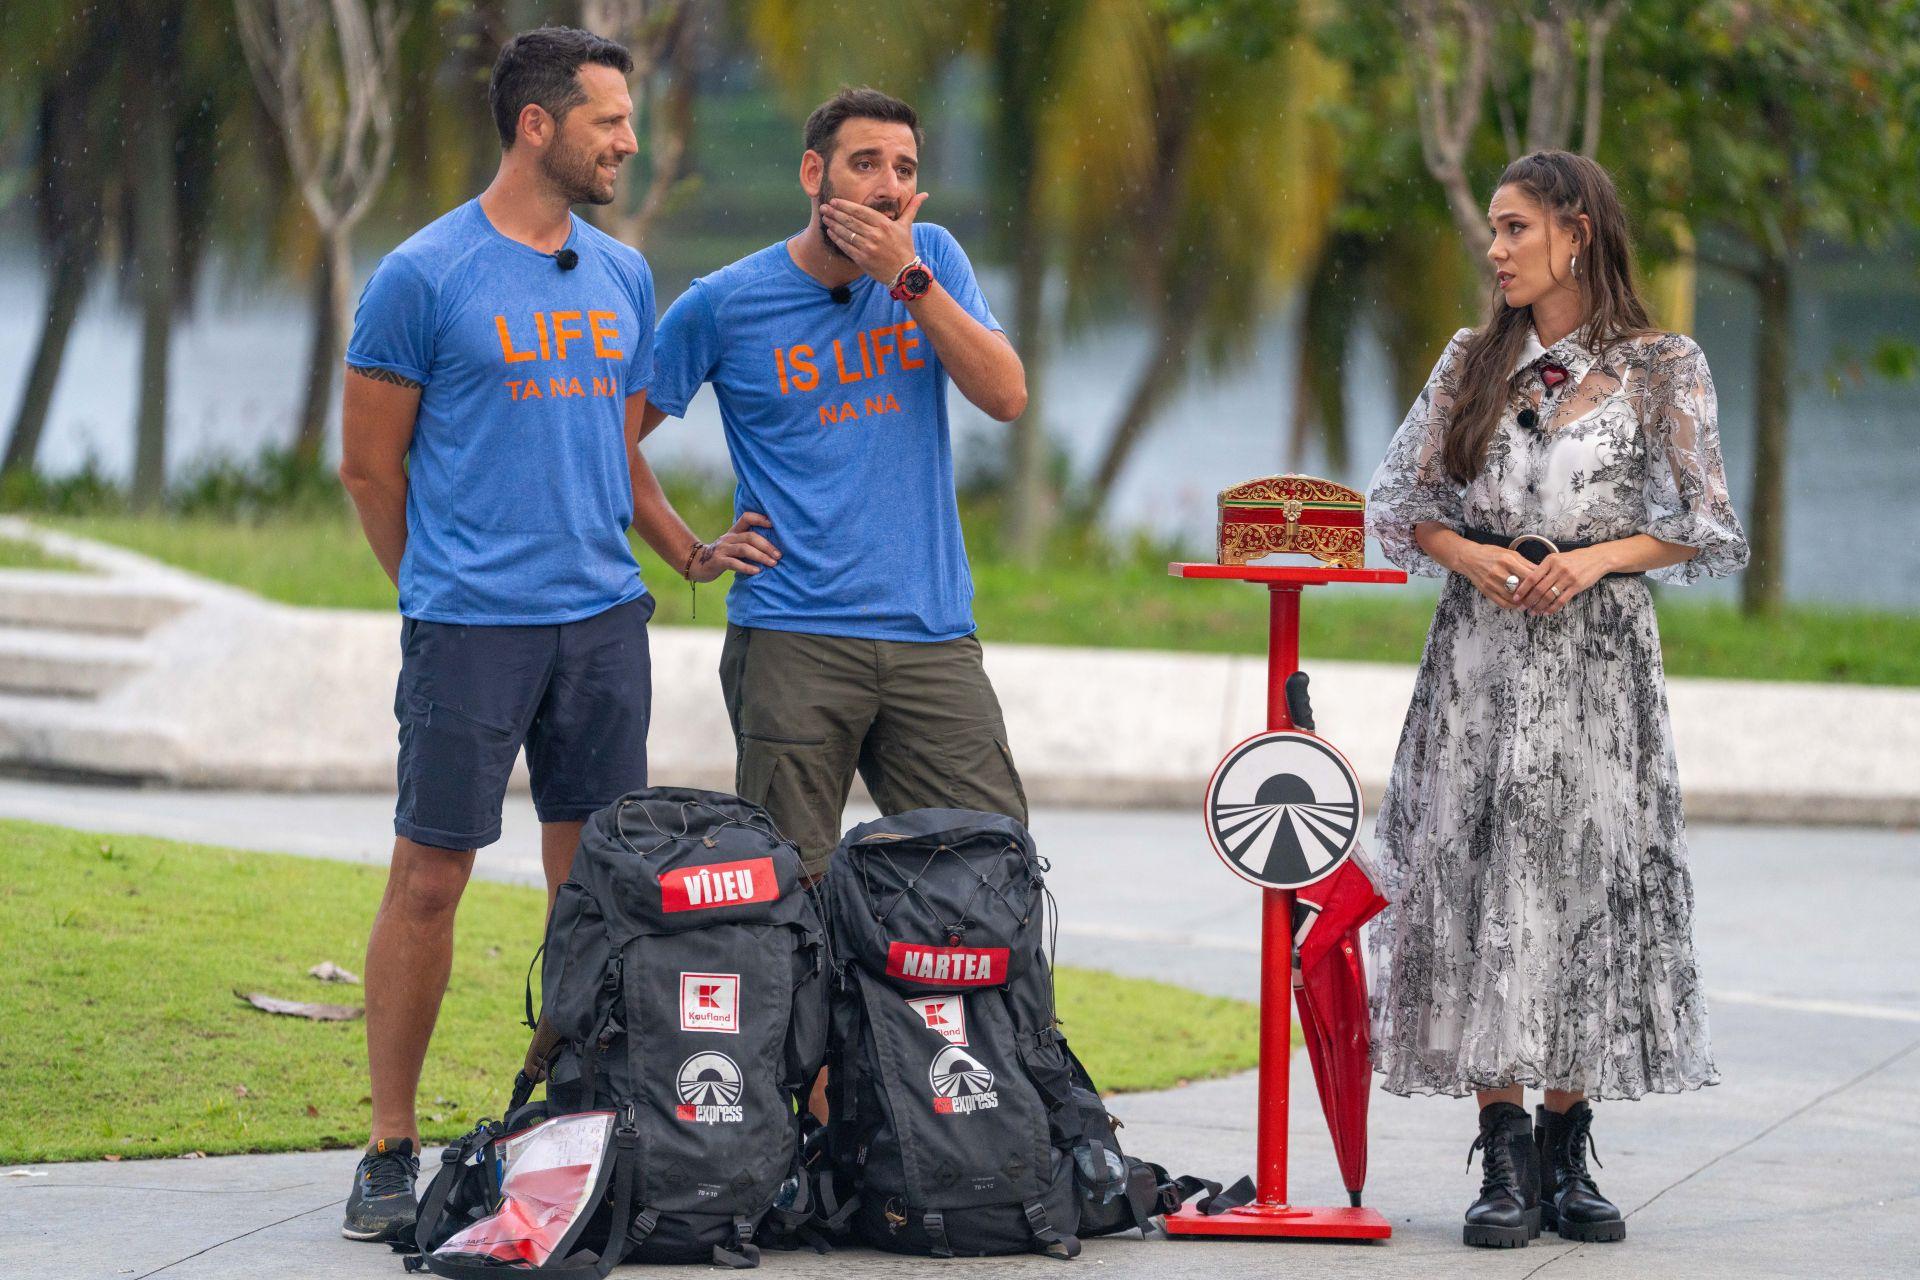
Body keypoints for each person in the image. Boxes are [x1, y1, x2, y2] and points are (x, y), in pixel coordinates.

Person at [334, 26, 771, 1243]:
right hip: (471, 628)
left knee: (590, 890)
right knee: (430, 877)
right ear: (539, 125)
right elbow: (369, 467)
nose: (629, 140)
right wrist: (435, 590)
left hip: (602, 623)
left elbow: (613, 445)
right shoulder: (423, 276)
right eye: (608, 121)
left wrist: (683, 549)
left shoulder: (622, 273)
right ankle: (389, 1144)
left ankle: (564, 1122)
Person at [1363, 150, 1748, 1250]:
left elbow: (1707, 524)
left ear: (1576, 232)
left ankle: (1568, 1150)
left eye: (1515, 227)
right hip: (1480, 659)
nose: (1495, 249)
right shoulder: (1470, 359)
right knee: (1481, 873)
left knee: (1583, 878)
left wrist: (1595, 559)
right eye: (1493, 228)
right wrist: (1470, 556)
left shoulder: (1664, 365)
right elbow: (1397, 504)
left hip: (1598, 664)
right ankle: (1504, 1153)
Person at [640, 87, 1031, 883]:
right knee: (792, 889)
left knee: (990, 871)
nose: (888, 186)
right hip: (793, 637)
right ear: (814, 174)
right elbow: (607, 442)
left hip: (931, 633)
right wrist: (689, 554)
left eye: (904, 169)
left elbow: (1005, 396)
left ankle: (960, 979)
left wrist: (908, 280)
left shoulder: (931, 262)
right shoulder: (722, 303)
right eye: (866, 164)